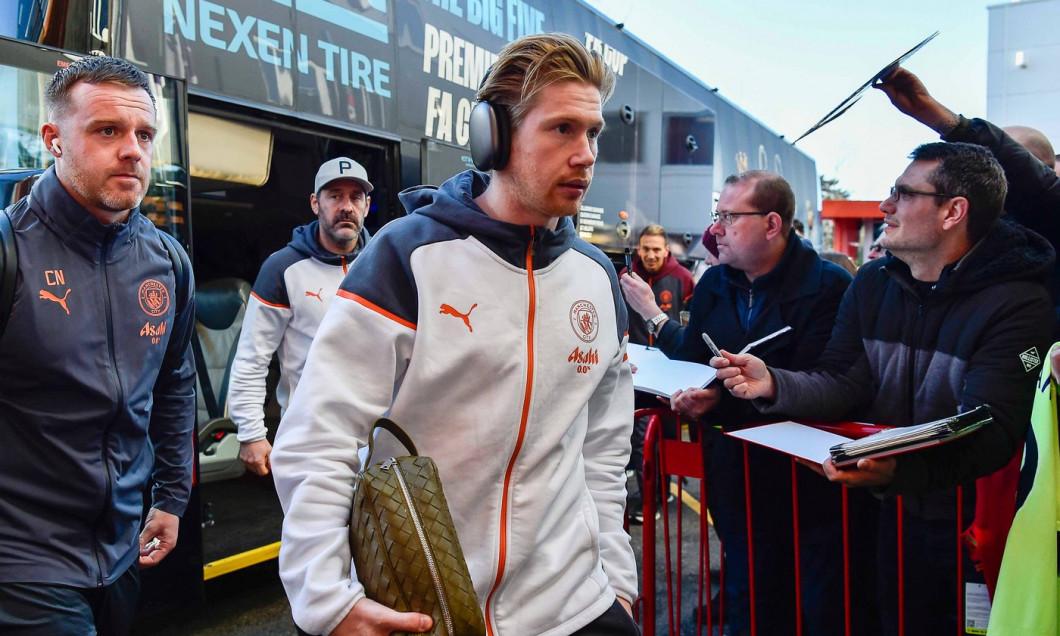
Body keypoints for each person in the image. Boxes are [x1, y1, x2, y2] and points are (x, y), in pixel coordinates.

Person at [271, 33, 638, 636]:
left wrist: (616, 584)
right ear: (494, 136)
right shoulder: (407, 256)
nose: (585, 154)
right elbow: (319, 436)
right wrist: (326, 600)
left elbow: (603, 449)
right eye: (562, 130)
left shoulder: (597, 278)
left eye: (593, 133)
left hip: (581, 609)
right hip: (431, 613)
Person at [714, 142, 1055, 636]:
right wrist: (774, 383)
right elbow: (844, 379)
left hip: (975, 530)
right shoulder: (873, 281)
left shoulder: (1019, 302)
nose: (884, 206)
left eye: (902, 193)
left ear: (953, 212)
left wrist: (897, 469)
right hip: (888, 518)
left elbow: (993, 429)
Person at [0, 56, 196, 635]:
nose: (133, 150)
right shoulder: (10, 252)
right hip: (21, 561)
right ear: (53, 140)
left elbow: (172, 386)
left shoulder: (166, 262)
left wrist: (171, 497)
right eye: (107, 131)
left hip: (119, 553)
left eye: (144, 135)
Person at [621, 170, 857, 636]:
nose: (715, 229)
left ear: (772, 224)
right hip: (733, 472)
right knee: (747, 592)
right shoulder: (713, 284)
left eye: (729, 216)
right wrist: (693, 394)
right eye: (717, 214)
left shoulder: (830, 287)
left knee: (813, 601)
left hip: (805, 481)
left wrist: (747, 393)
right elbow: (693, 358)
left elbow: (835, 384)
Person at [875, 66, 1060, 335]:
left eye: (994, 163)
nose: (887, 206)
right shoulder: (891, 278)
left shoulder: (1029, 287)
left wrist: (944, 121)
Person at [227, 157, 373, 476]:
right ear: (315, 203)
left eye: (355, 197)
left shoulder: (382, 264)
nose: (346, 206)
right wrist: (251, 433)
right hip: (311, 444)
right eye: (334, 195)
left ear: (367, 205)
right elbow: (252, 357)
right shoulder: (283, 268)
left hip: (376, 442)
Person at [620, 224, 693, 345]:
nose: (651, 256)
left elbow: (694, 319)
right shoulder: (626, 277)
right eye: (646, 249)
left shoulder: (683, 277)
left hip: (668, 353)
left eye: (656, 249)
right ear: (639, 249)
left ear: (666, 251)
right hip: (634, 351)